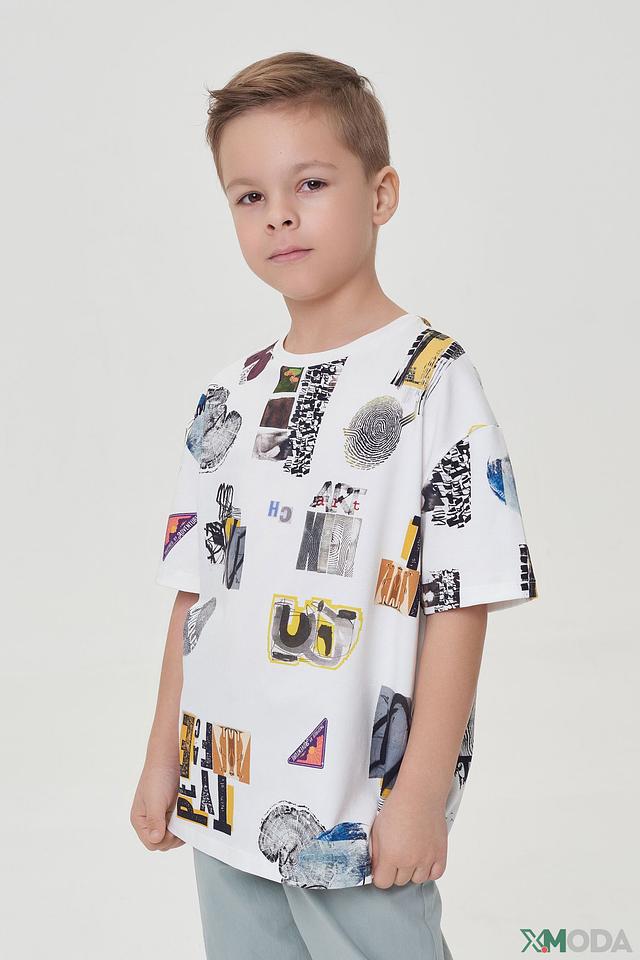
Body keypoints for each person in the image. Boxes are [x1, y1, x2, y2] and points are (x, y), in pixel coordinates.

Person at [130, 51, 538, 960]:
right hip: (226, 793)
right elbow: (194, 594)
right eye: (249, 196)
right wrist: (164, 759)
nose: (279, 213)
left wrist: (420, 794)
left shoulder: (432, 380)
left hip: (356, 808)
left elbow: (461, 598)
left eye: (310, 183)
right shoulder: (227, 396)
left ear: (380, 193)